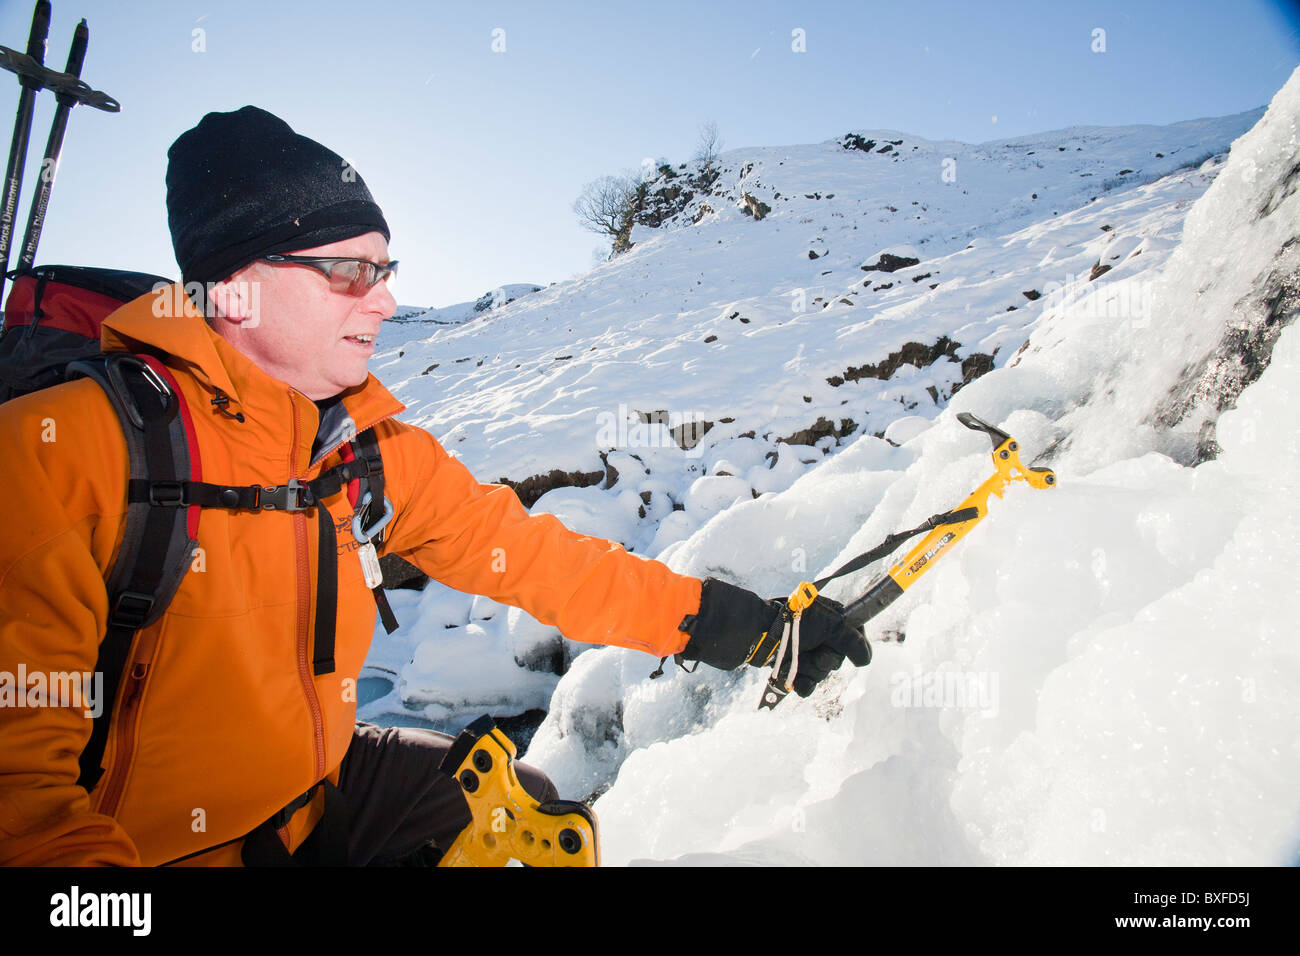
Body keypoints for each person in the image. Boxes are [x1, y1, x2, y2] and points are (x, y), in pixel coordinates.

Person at [0, 106, 870, 866]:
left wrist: (747, 629)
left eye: (386, 272)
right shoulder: (67, 453)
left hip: (308, 802)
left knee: (522, 808)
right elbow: (24, 812)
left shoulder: (364, 453)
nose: (380, 301)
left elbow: (542, 563)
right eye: (348, 272)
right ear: (236, 288)